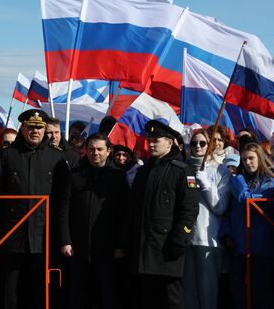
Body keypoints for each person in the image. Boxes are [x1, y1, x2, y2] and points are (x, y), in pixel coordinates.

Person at [0, 109, 68, 309]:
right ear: (23, 128)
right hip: (13, 232)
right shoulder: (9, 155)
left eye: (39, 128)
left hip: (43, 234)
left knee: (39, 290)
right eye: (31, 127)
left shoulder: (56, 158)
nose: (35, 131)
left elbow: (63, 199)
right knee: (11, 289)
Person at [121, 120, 199, 309]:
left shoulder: (182, 171)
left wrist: (180, 239)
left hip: (168, 246)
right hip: (144, 246)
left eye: (157, 140)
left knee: (171, 298)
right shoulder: (143, 172)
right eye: (150, 140)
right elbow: (134, 209)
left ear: (170, 142)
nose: (152, 144)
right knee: (148, 298)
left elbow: (189, 208)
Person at [59, 133, 130, 309]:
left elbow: (125, 213)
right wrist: (65, 240)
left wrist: (122, 244)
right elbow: (64, 210)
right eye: (91, 149)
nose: (95, 153)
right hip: (78, 246)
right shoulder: (74, 176)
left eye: (99, 149)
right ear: (86, 151)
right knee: (77, 293)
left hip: (108, 247)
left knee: (108, 294)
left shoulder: (118, 177)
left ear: (108, 151)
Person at [225, 142, 274, 309]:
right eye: (244, 159)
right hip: (239, 246)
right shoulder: (241, 180)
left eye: (251, 158)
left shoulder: (270, 182)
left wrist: (238, 181)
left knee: (260, 294)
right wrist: (226, 233)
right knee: (239, 294)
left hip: (260, 246)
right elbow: (229, 210)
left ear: (259, 158)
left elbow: (249, 201)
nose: (248, 163)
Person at [183, 129, 232, 309]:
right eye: (194, 143)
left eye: (202, 143)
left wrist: (205, 184)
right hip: (186, 239)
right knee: (188, 294)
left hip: (208, 239)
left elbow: (220, 206)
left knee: (207, 293)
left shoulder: (221, 170)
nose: (198, 146)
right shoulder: (183, 167)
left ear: (210, 145)